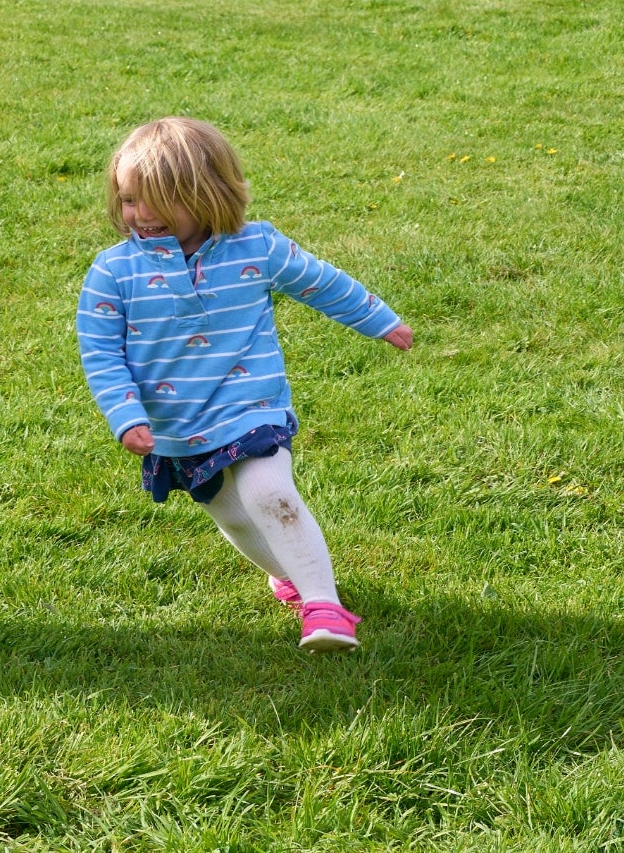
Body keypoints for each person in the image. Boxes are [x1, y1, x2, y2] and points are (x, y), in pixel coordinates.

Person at [77, 118, 414, 651]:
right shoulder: (113, 273)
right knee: (234, 517)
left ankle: (325, 606)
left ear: (204, 194)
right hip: (177, 428)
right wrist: (126, 415)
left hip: (251, 406)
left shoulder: (254, 247)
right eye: (127, 201)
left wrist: (380, 320)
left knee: (268, 492)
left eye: (154, 202)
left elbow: (320, 281)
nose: (138, 215)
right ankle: (289, 575)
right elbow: (101, 352)